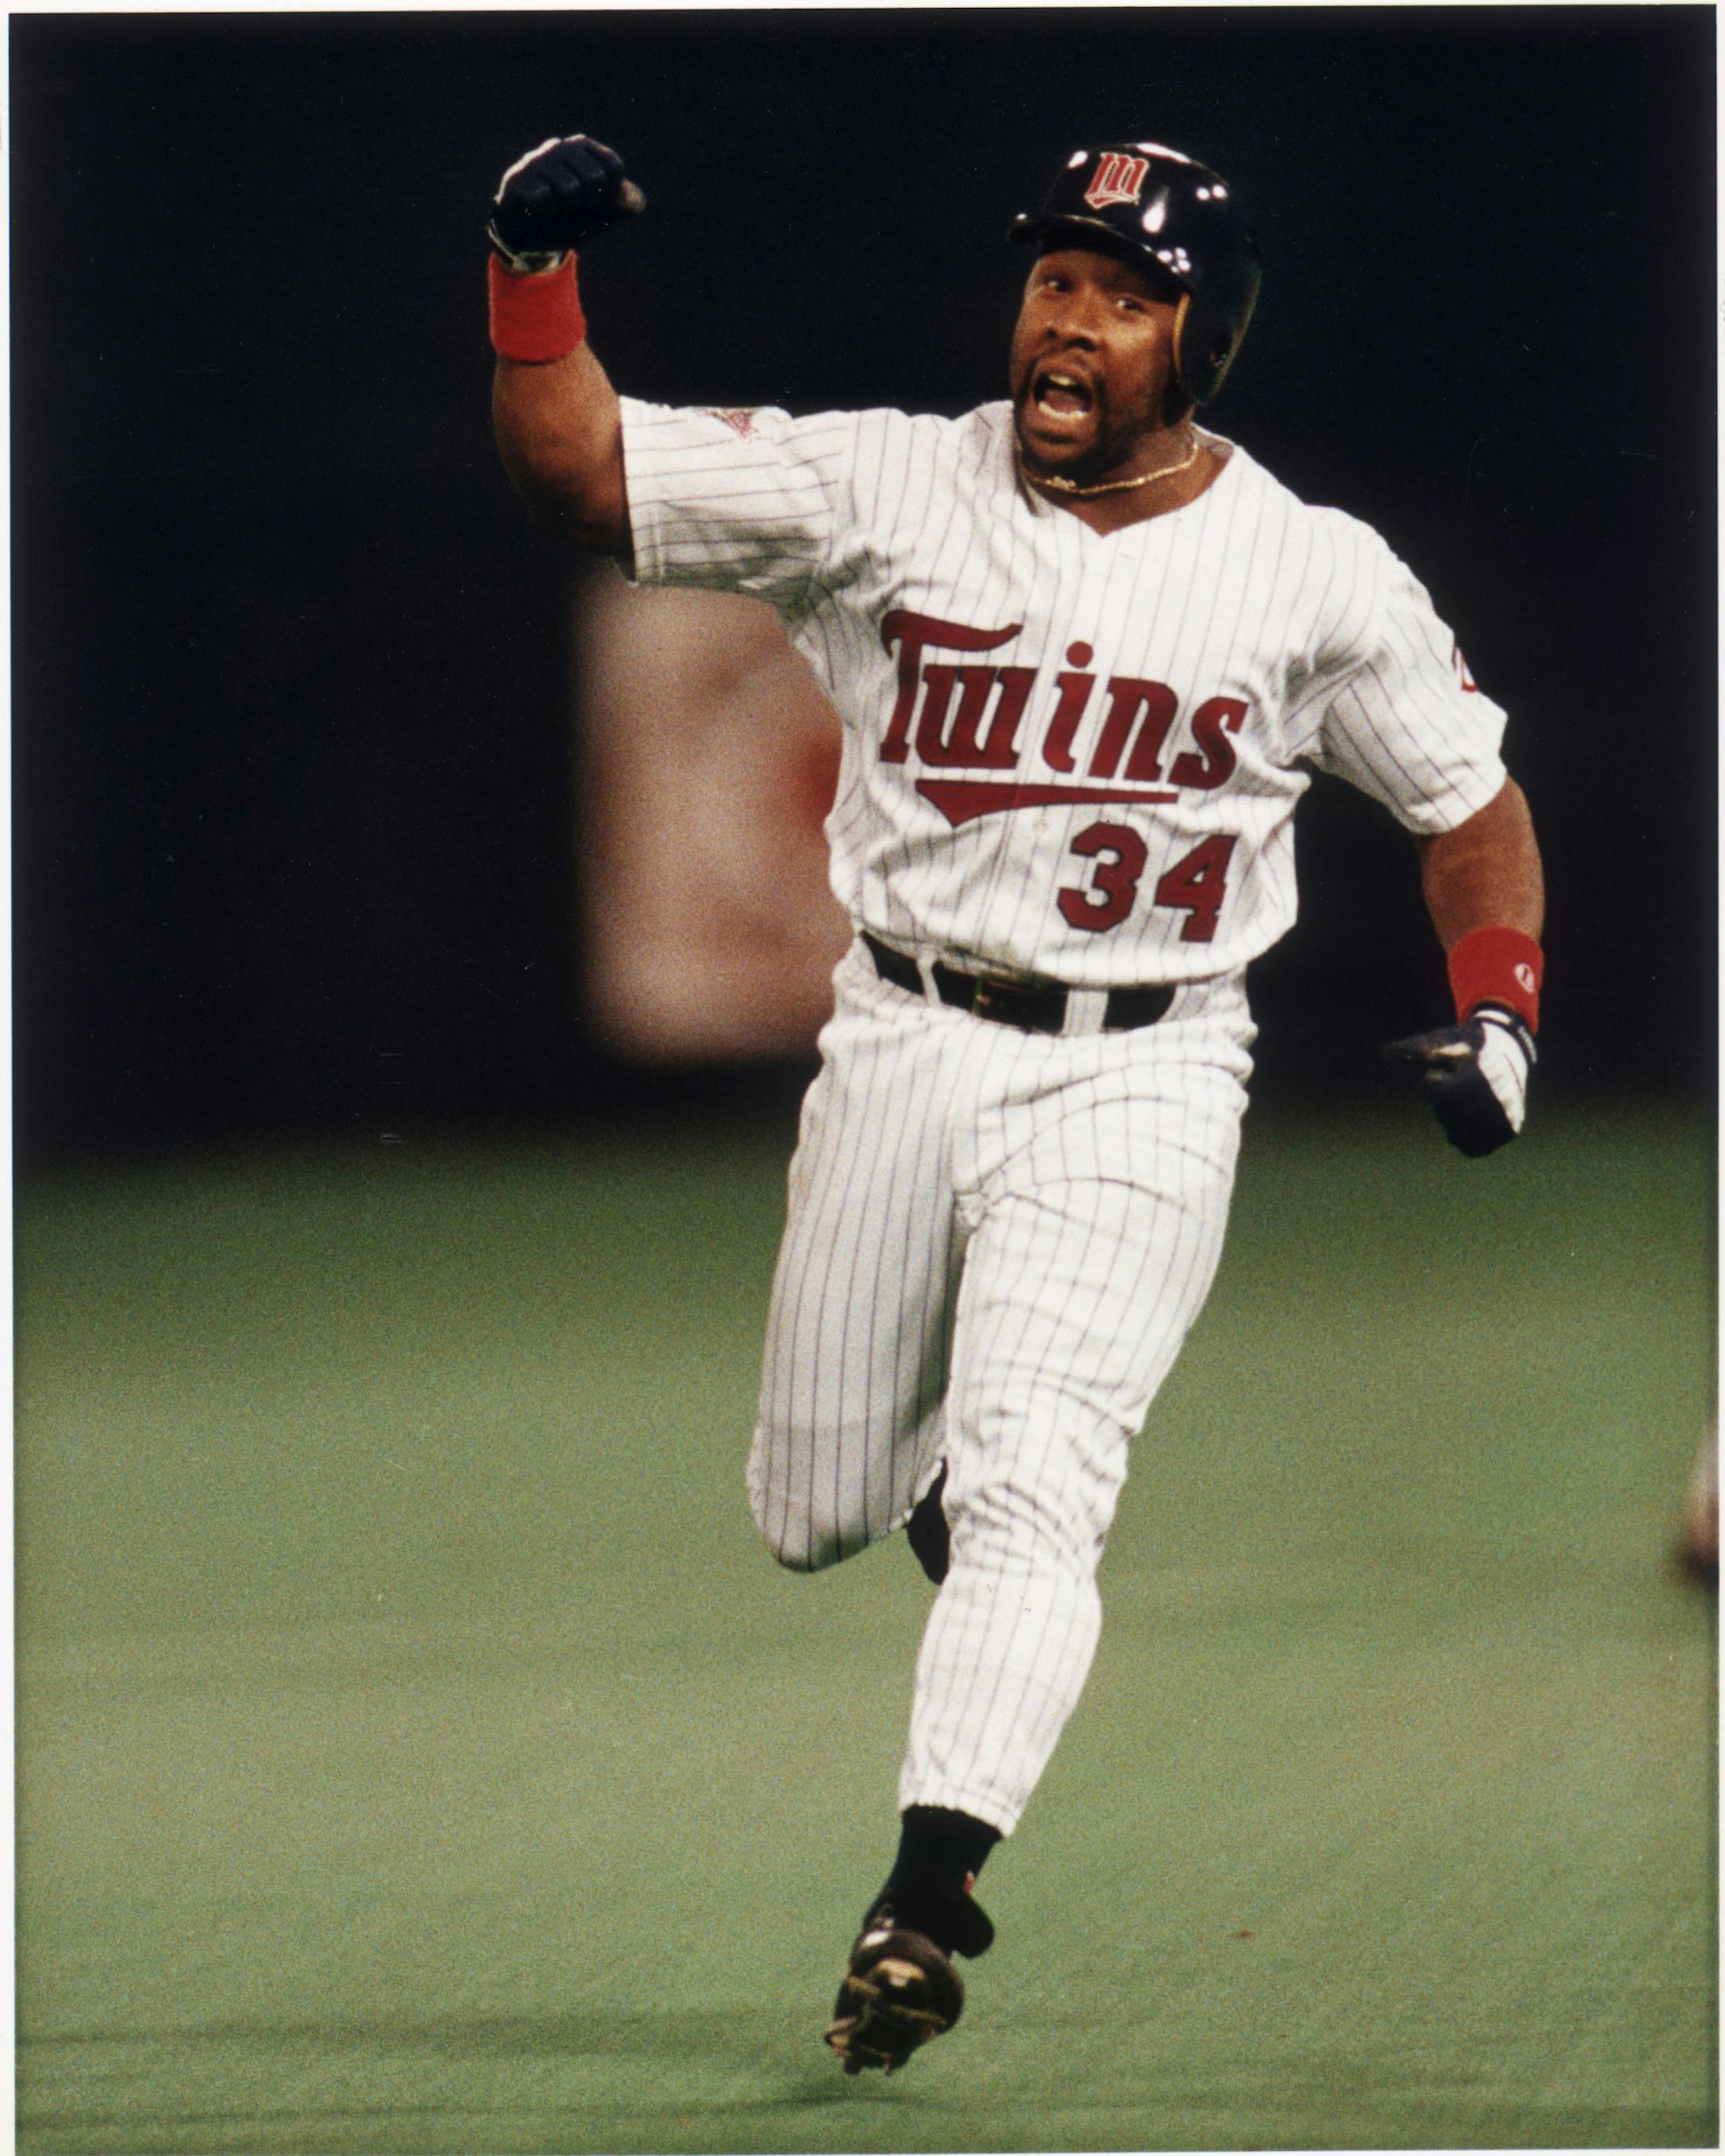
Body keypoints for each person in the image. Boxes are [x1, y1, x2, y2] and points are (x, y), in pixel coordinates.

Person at [487, 132, 1546, 2074]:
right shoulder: (892, 477)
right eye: (1055, 277)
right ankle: (967, 1531)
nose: (1068, 318)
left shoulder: (1311, 571)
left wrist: (1504, 1019)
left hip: (1148, 1064)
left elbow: (1468, 802)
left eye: (1122, 291)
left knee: (1045, 1479)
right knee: (814, 1508)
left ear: (1198, 338)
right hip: (900, 1036)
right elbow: (586, 469)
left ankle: (929, 1888)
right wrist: (524, 276)